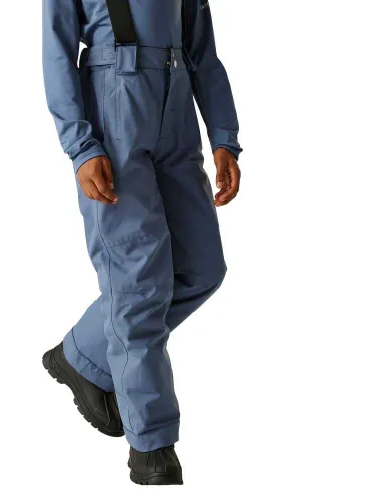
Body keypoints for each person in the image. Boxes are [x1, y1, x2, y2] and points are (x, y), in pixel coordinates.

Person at [42, 0, 242, 485]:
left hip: (176, 105)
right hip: (114, 103)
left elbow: (202, 49)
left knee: (200, 268)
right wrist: (81, 145)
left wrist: (223, 136)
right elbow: (57, 49)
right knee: (138, 282)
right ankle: (151, 445)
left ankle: (83, 354)